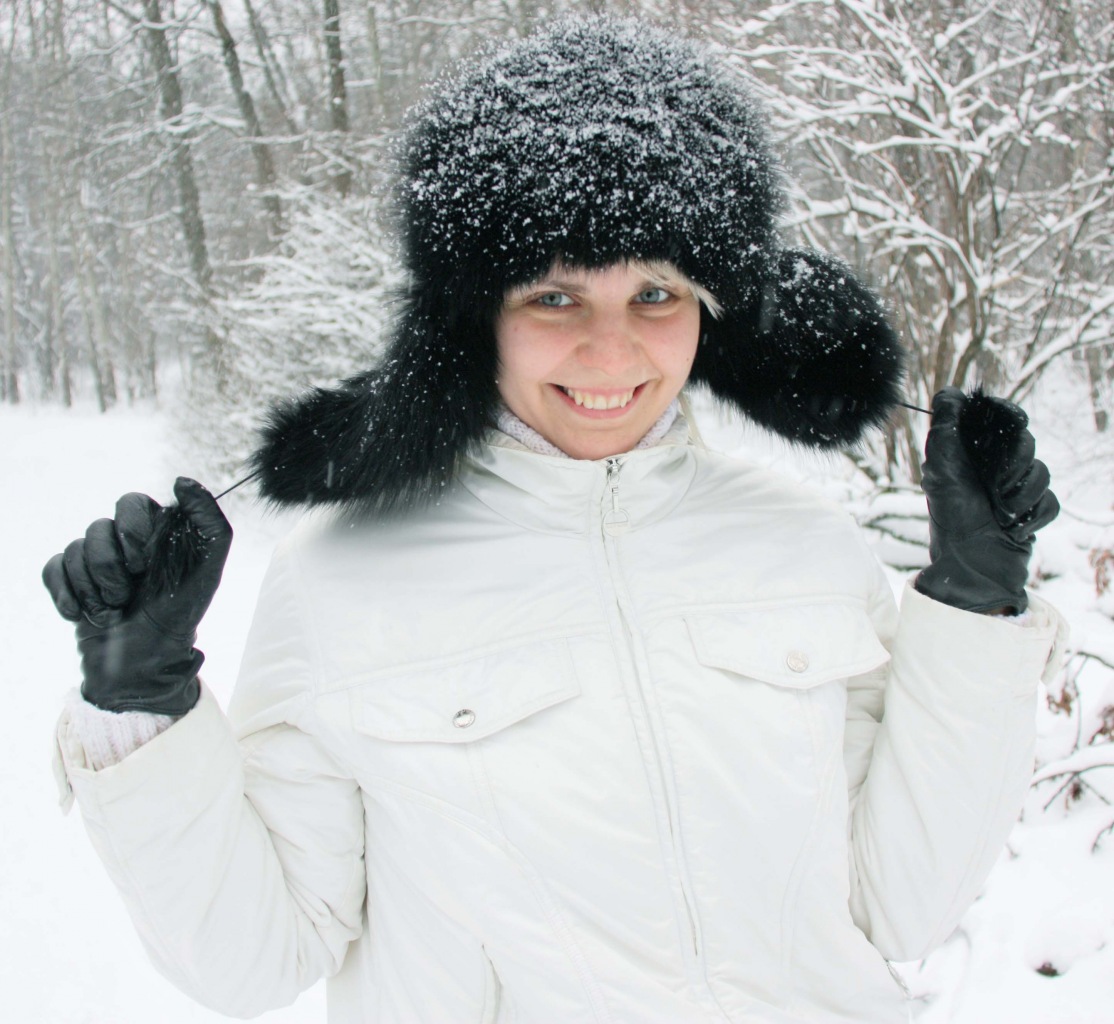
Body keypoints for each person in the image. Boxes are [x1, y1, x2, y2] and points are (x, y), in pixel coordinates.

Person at [45, 17, 1066, 1024]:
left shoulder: (801, 543)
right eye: (553, 297)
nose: (612, 353)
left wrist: (974, 603)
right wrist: (141, 705)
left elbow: (901, 904)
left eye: (655, 292)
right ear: (471, 316)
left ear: (712, 309)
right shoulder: (339, 580)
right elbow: (256, 959)